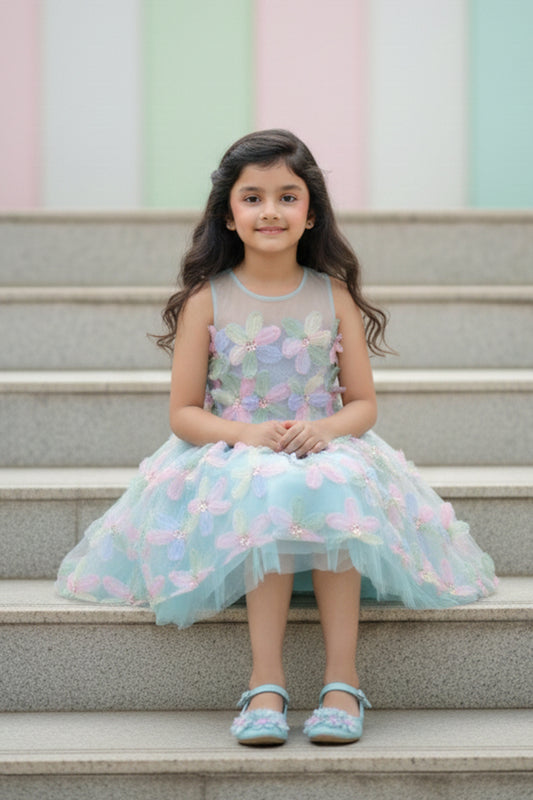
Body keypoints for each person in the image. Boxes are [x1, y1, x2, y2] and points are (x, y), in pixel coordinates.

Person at [56, 129, 498, 747]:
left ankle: (342, 682)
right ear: (228, 215)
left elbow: (363, 404)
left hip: (322, 442)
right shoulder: (207, 300)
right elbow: (183, 413)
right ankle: (265, 683)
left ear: (311, 213)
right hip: (235, 446)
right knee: (266, 486)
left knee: (336, 480)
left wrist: (324, 429)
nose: (270, 211)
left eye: (288, 197)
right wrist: (247, 435)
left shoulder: (333, 295)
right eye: (253, 197)